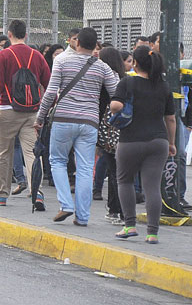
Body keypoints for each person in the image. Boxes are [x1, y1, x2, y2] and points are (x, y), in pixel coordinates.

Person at [36, 27, 119, 227]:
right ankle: (82, 216)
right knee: (84, 167)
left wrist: (40, 118)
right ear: (95, 46)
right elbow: (116, 92)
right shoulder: (102, 67)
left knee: (57, 161)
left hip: (63, 119)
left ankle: (65, 203)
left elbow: (50, 93)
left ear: (77, 43)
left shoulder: (62, 61)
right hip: (90, 122)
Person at [0, 20, 51, 207]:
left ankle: (1, 195)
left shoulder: (4, 55)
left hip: (7, 109)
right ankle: (37, 193)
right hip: (32, 112)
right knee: (31, 153)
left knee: (3, 152)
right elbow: (48, 83)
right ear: (26, 35)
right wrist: (46, 108)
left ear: (9, 34)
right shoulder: (36, 56)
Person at [112, 46, 178, 244]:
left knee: (125, 181)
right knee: (152, 187)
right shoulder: (164, 86)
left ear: (136, 63)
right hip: (158, 141)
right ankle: (152, 232)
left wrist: (115, 106)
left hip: (130, 141)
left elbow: (115, 105)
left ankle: (129, 225)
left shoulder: (127, 82)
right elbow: (171, 119)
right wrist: (171, 143)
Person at [94, 46, 127, 224]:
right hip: (125, 131)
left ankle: (119, 211)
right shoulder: (125, 79)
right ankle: (114, 209)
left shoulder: (103, 81)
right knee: (118, 170)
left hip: (108, 132)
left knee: (114, 171)